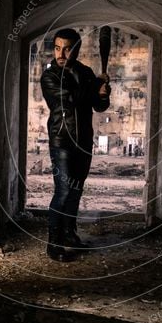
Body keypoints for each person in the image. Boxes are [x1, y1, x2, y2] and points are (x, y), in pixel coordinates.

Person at [40, 28, 110, 261]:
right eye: (58, 48)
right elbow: (68, 100)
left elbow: (98, 107)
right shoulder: (49, 75)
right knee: (63, 190)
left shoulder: (85, 72)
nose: (61, 53)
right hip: (62, 141)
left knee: (77, 188)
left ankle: (69, 234)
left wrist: (102, 94)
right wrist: (94, 85)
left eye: (67, 48)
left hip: (83, 141)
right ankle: (54, 244)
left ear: (76, 49)